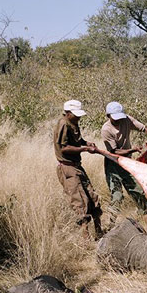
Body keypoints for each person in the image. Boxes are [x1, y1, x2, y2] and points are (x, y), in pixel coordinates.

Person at [53, 99, 103, 239]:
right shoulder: (63, 124)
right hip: (68, 168)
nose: (79, 117)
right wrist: (84, 149)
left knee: (92, 197)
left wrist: (85, 143)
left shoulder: (73, 123)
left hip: (77, 166)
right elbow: (64, 148)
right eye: (76, 114)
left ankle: (99, 233)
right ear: (68, 113)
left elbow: (76, 140)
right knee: (80, 203)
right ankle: (85, 240)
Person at [101, 101, 147, 219]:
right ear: (108, 116)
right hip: (113, 164)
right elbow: (114, 151)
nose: (118, 120)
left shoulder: (126, 120)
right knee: (117, 195)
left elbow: (144, 127)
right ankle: (111, 223)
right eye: (115, 118)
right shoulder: (106, 130)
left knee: (138, 191)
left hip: (127, 163)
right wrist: (133, 150)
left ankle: (146, 218)